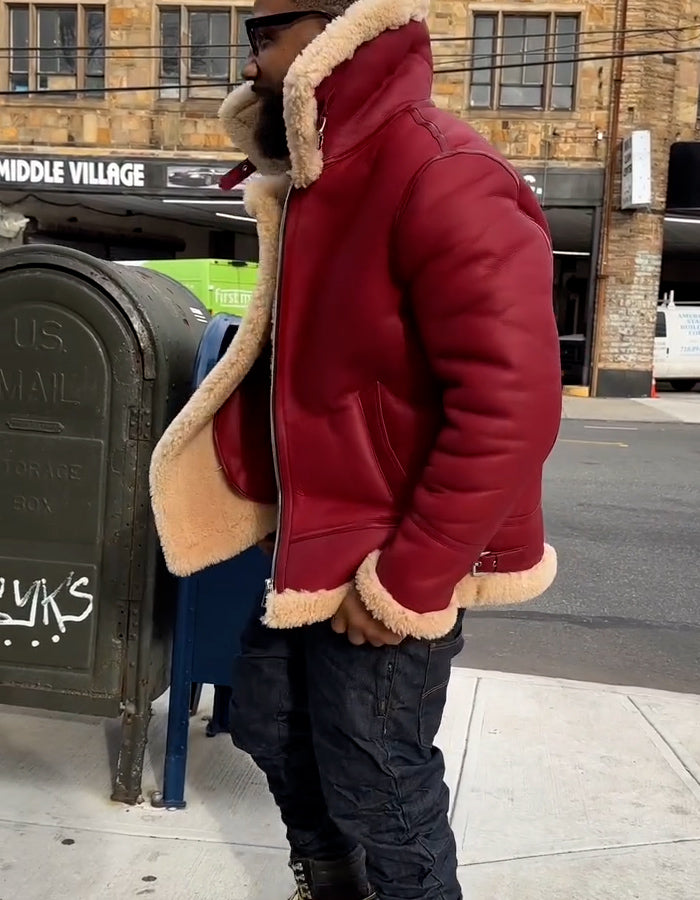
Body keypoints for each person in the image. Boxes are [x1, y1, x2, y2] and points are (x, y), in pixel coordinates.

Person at [150, 0, 562, 896]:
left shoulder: (442, 169)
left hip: (388, 552)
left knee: (380, 781)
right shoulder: (318, 177)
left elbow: (513, 407)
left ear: (338, 27)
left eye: (265, 39)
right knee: (266, 722)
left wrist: (406, 583)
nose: (251, 65)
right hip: (309, 539)